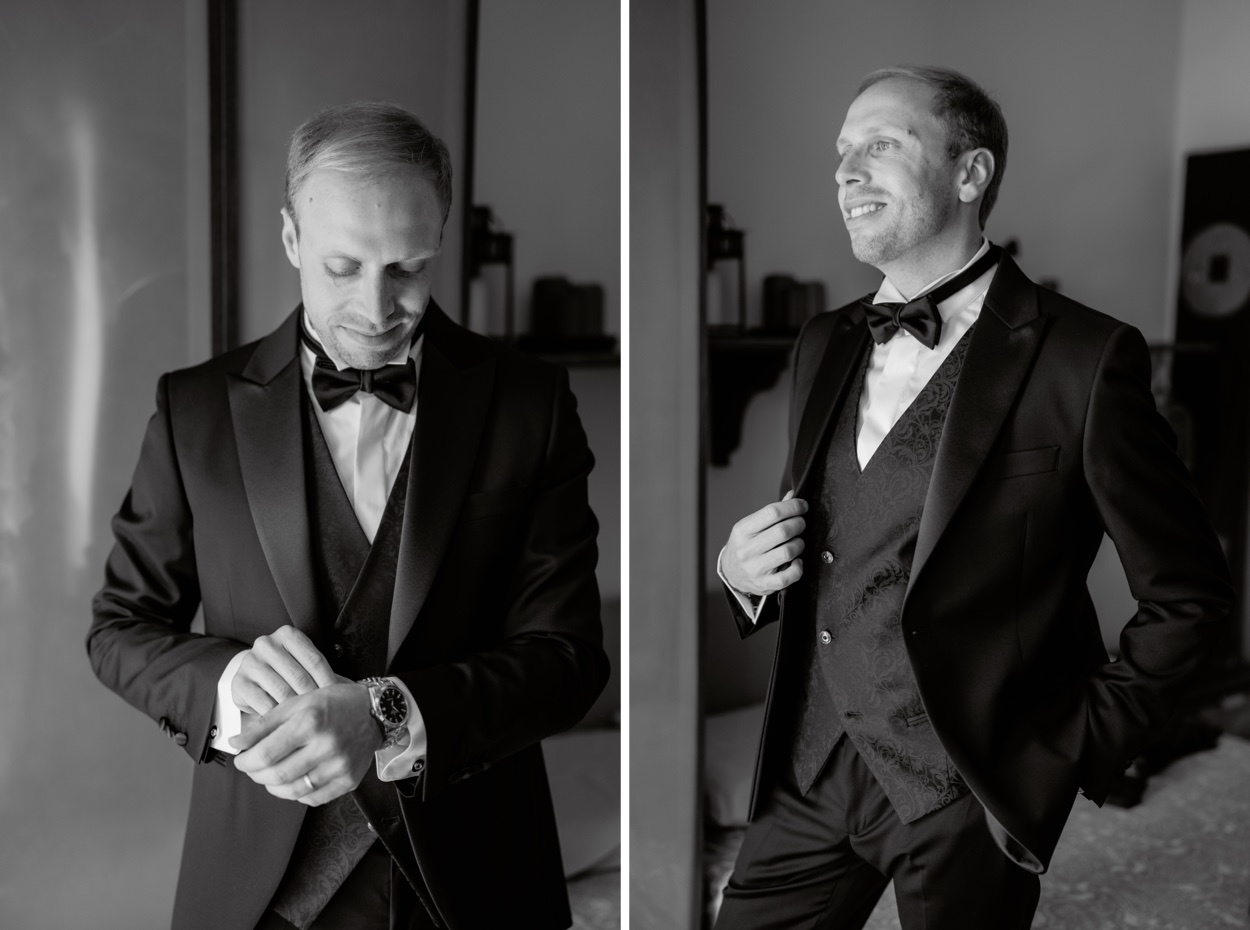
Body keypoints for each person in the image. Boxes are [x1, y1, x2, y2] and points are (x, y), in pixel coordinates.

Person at [714, 65, 1232, 929]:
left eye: (880, 144)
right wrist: (741, 574)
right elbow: (823, 537)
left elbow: (1189, 595)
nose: (844, 171)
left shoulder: (1084, 358)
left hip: (969, 792)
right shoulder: (822, 340)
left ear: (970, 173)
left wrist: (1069, 751)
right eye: (841, 151)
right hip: (808, 768)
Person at [88, 102, 608, 930]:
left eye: (408, 267)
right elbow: (120, 628)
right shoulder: (195, 411)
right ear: (292, 239)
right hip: (259, 894)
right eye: (342, 267)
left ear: (440, 240)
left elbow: (569, 660)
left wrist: (385, 713)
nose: (377, 306)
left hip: (477, 883)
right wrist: (226, 683)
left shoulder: (529, 405)